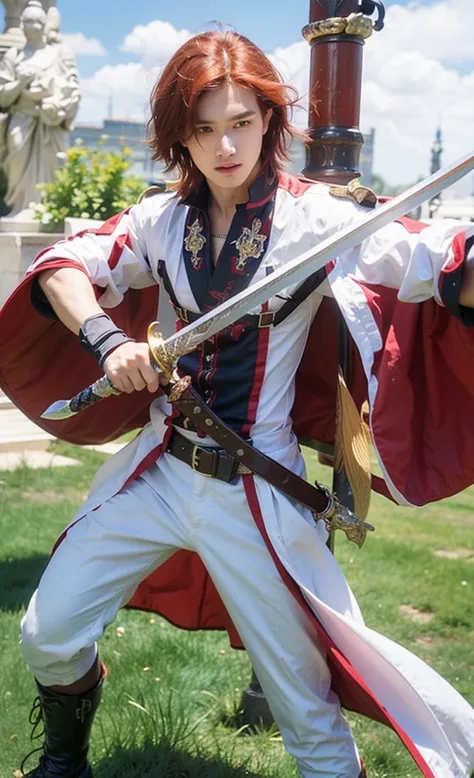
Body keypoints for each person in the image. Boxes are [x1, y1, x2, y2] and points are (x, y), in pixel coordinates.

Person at [0, 29, 473, 778]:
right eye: (205, 129)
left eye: (242, 124)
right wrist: (103, 338)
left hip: (257, 486)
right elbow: (63, 265)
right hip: (158, 471)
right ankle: (64, 761)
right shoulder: (160, 220)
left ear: (269, 120)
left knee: (307, 713)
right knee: (47, 631)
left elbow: (429, 258)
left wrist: (467, 263)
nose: (226, 147)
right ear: (179, 134)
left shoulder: (317, 221)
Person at [0, 0, 80, 216]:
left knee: (52, 166)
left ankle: (44, 208)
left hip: (49, 120)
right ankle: (19, 207)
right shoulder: (13, 56)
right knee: (15, 157)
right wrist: (20, 83)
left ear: (44, 24)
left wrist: (54, 100)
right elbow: (3, 97)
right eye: (27, 22)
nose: (31, 27)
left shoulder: (60, 53)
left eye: (36, 22)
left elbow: (72, 88)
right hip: (21, 117)